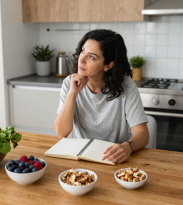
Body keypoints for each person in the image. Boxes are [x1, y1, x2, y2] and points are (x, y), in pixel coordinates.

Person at [54, 29, 149, 164]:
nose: (82, 59)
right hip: (83, 158)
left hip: (116, 159)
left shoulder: (126, 86)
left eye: (91, 57)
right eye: (82, 51)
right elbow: (61, 133)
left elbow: (143, 134)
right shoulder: (70, 83)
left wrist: (128, 147)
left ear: (108, 65)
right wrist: (72, 93)